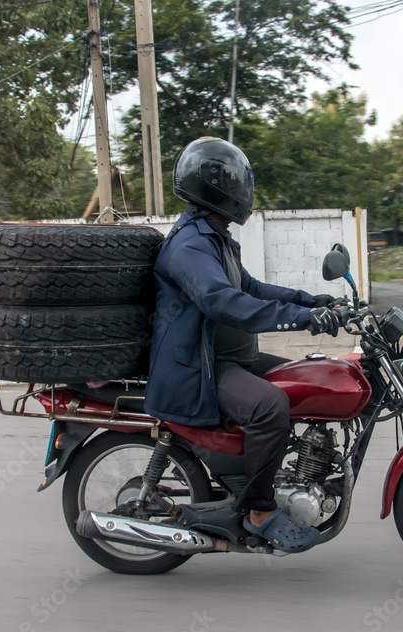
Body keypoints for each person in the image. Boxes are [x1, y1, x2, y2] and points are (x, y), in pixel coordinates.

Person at [145, 137, 346, 553]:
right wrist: (305, 319)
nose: (243, 192)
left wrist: (315, 301)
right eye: (236, 183)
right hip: (198, 367)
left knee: (306, 380)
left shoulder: (215, 238)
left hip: (230, 357)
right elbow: (223, 301)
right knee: (270, 405)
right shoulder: (189, 245)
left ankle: (281, 476)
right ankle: (257, 511)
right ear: (213, 186)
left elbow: (252, 286)